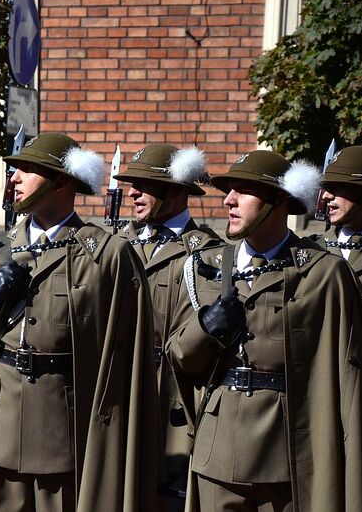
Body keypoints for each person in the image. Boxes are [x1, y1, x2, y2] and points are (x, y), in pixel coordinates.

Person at [0, 132, 161, 512]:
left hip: (63, 437)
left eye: (28, 170)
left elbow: (127, 367)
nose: (15, 178)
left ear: (62, 182)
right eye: (15, 169)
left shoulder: (106, 257)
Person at [167, 149, 362, 511]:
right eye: (229, 190)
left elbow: (348, 378)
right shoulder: (204, 266)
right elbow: (178, 360)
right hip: (216, 451)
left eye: (244, 190)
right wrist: (205, 330)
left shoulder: (322, 274)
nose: (229, 200)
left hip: (289, 454)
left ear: (280, 201)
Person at [113, 143, 221, 509]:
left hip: (169, 401)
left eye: (144, 184)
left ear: (176, 190)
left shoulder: (205, 254)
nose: (132, 193)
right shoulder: (118, 246)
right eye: (131, 184)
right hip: (117, 394)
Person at [318, 145, 362, 459]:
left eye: (338, 188)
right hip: (318, 424)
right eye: (324, 188)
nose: (325, 197)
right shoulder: (309, 253)